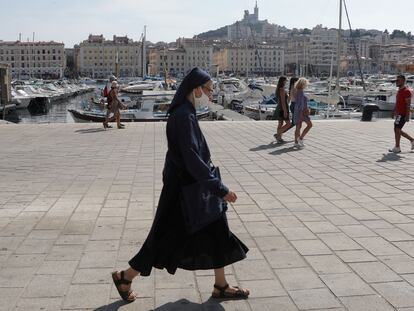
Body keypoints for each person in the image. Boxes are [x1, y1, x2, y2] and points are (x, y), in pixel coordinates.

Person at [111, 68, 250, 302]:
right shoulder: (183, 115)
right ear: (196, 89)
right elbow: (192, 159)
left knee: (217, 230)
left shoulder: (185, 112)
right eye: (209, 90)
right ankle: (125, 276)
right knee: (164, 239)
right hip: (185, 191)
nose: (211, 94)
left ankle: (221, 285)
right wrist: (220, 189)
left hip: (190, 187)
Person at [389, 75, 414, 153]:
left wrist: (407, 116)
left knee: (397, 129)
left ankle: (397, 147)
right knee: (397, 129)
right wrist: (393, 111)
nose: (396, 82)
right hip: (398, 113)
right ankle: (411, 140)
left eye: (398, 81)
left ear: (403, 81)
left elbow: (408, 104)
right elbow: (398, 103)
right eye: (396, 81)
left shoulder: (406, 91)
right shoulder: (399, 90)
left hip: (402, 114)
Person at [293, 78, 313, 148]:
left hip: (297, 111)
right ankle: (300, 138)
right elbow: (300, 103)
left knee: (298, 127)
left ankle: (296, 142)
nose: (306, 85)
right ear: (303, 84)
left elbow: (298, 103)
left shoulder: (297, 91)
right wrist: (301, 113)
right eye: (305, 84)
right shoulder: (300, 92)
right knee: (309, 125)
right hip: (301, 112)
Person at [274, 76, 291, 143]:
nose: (286, 82)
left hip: (280, 107)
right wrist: (285, 111)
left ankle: (279, 138)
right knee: (288, 124)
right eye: (286, 80)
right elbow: (283, 101)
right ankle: (278, 135)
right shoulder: (281, 89)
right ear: (283, 81)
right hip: (282, 108)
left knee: (280, 123)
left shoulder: (279, 89)